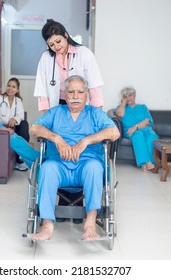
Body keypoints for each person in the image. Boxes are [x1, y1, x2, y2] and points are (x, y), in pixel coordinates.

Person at [29, 75, 120, 241]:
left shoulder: (95, 114)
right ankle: (47, 225)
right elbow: (34, 128)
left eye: (80, 92)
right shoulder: (56, 112)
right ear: (65, 94)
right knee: (47, 168)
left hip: (86, 165)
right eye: (71, 92)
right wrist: (55, 138)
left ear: (87, 94)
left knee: (94, 167)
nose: (75, 96)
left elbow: (114, 132)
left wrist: (87, 140)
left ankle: (90, 223)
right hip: (59, 165)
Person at [33, 19, 104, 112]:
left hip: (79, 103)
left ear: (65, 35)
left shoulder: (84, 53)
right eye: (51, 45)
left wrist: (97, 113)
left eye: (58, 41)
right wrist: (48, 114)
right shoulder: (46, 58)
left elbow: (94, 85)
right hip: (57, 104)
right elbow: (41, 88)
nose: (56, 47)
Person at [0, 77, 30, 170]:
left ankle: (19, 157)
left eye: (13, 87)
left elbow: (20, 115)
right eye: (8, 85)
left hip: (13, 126)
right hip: (0, 126)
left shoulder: (18, 101)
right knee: (22, 125)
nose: (10, 88)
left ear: (17, 90)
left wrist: (14, 119)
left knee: (24, 124)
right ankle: (19, 160)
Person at [114, 86, 159, 172]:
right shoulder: (121, 108)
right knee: (138, 135)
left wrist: (135, 127)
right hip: (130, 132)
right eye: (125, 97)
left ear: (134, 96)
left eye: (130, 95)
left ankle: (150, 163)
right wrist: (123, 103)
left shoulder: (142, 107)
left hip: (145, 129)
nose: (128, 98)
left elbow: (147, 121)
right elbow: (119, 114)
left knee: (152, 137)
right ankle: (146, 162)